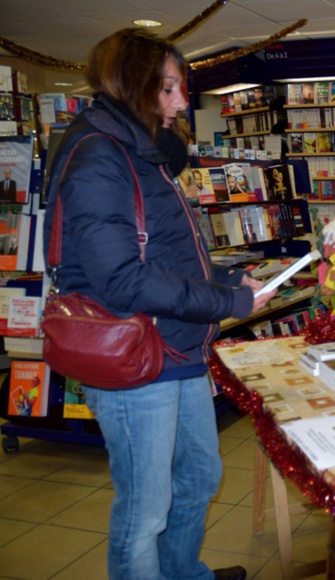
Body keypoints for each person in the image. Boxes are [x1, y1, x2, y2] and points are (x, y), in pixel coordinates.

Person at [42, 28, 276, 580]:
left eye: (180, 88)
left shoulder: (141, 151)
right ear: (133, 85)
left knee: (197, 476)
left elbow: (162, 254)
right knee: (144, 508)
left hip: (174, 346)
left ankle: (182, 573)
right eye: (167, 88)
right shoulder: (100, 157)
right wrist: (226, 300)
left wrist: (224, 276)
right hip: (135, 357)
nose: (179, 103)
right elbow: (122, 279)